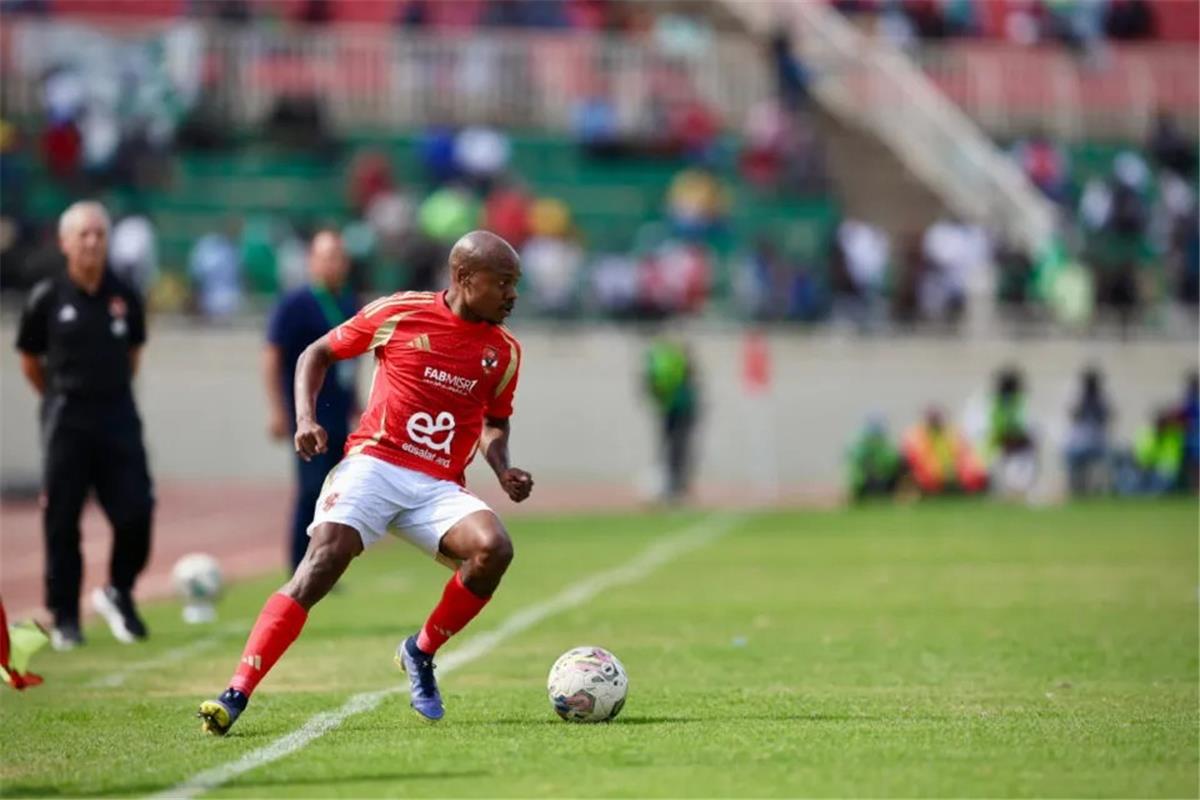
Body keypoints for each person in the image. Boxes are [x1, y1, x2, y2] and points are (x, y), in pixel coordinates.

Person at [198, 230, 533, 735]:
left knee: (494, 548)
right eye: (503, 283)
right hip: (376, 463)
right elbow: (315, 354)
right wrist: (305, 418)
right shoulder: (399, 312)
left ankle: (419, 651)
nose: (512, 295)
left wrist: (502, 467)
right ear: (464, 278)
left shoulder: (504, 353)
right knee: (323, 561)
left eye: (515, 284)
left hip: (438, 485)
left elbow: (493, 422)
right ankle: (236, 692)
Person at [14, 201, 154, 650]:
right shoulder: (47, 297)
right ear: (65, 242)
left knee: (136, 510)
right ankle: (66, 616)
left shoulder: (124, 295)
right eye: (84, 234)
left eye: (99, 234)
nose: (92, 242)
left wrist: (108, 394)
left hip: (117, 415)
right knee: (61, 520)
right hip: (67, 418)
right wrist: (59, 398)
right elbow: (30, 361)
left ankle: (119, 591)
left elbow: (132, 354)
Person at [265, 230, 359, 573]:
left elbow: (352, 361)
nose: (335, 264)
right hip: (308, 415)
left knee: (335, 493)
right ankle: (298, 567)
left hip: (339, 412)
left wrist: (357, 403)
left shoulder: (350, 302)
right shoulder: (296, 303)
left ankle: (322, 565)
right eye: (327, 256)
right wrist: (278, 409)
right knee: (309, 489)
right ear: (313, 261)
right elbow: (272, 356)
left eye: (340, 257)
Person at [643, 334, 698, 502]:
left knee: (671, 448)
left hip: (671, 408)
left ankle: (672, 486)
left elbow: (651, 384)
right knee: (677, 449)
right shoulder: (675, 361)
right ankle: (673, 486)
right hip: (678, 409)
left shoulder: (659, 360)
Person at [901, 408, 988, 496]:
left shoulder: (951, 434)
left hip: (952, 473)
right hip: (931, 475)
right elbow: (919, 460)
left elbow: (962, 455)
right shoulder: (917, 436)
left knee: (973, 471)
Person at [1064, 367, 1113, 496]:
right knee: (1075, 467)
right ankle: (1077, 490)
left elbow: (1107, 416)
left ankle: (1096, 491)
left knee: (1099, 468)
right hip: (1079, 441)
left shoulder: (1103, 398)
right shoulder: (1078, 396)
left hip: (1097, 440)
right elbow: (1073, 415)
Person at [846, 416, 903, 501]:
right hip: (864, 482)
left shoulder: (883, 445)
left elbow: (892, 462)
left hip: (882, 479)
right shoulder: (861, 446)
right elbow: (856, 471)